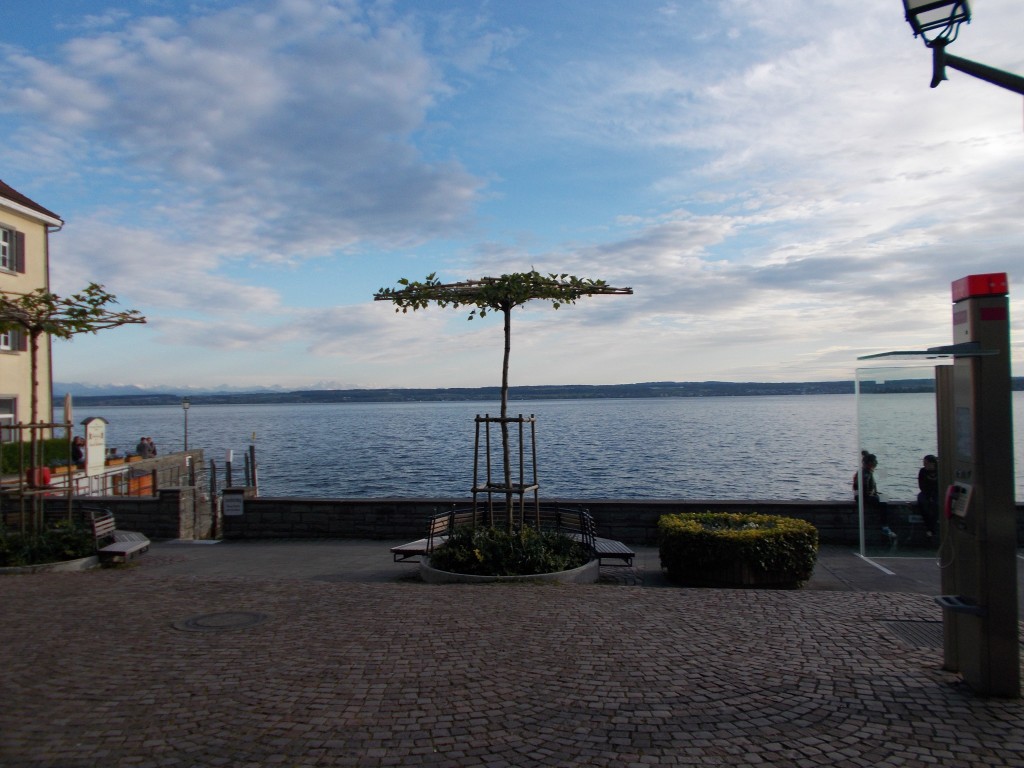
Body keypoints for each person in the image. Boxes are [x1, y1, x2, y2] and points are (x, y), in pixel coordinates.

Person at [853, 450, 895, 540]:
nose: (877, 463)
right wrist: (872, 495)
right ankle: (884, 526)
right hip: (863, 497)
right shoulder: (865, 473)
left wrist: (876, 493)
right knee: (884, 503)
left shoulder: (866, 471)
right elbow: (864, 490)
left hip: (863, 495)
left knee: (885, 497)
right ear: (870, 463)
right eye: (875, 461)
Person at [917, 454, 939, 538]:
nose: (924, 465)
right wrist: (928, 495)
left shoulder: (939, 471)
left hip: (936, 492)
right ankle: (929, 527)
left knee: (936, 505)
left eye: (926, 463)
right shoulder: (922, 471)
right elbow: (921, 485)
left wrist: (933, 495)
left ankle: (931, 528)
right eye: (924, 463)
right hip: (925, 492)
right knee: (922, 502)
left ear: (932, 463)